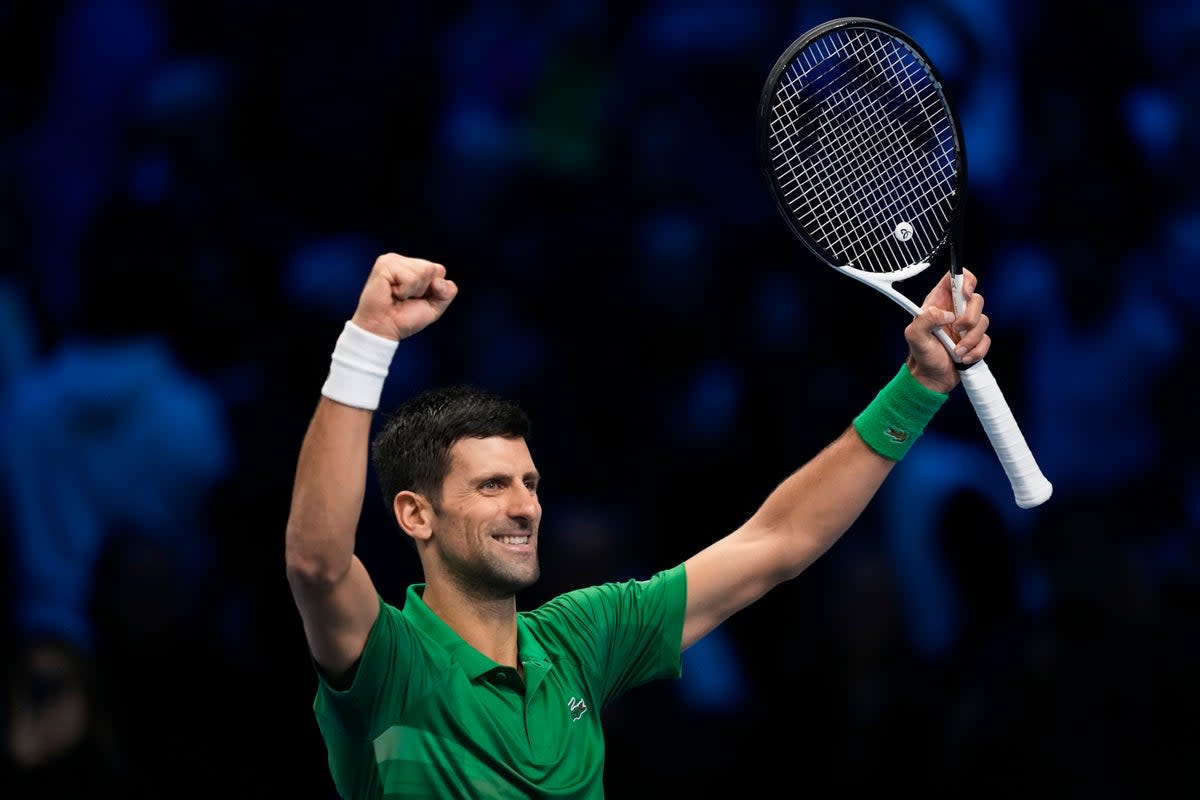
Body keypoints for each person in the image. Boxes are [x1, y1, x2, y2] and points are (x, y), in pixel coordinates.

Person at [284, 252, 992, 799]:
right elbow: (317, 563)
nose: (526, 506)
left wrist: (919, 386)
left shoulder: (581, 640)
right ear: (416, 514)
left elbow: (777, 542)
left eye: (530, 484)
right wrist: (369, 339)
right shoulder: (390, 662)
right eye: (492, 486)